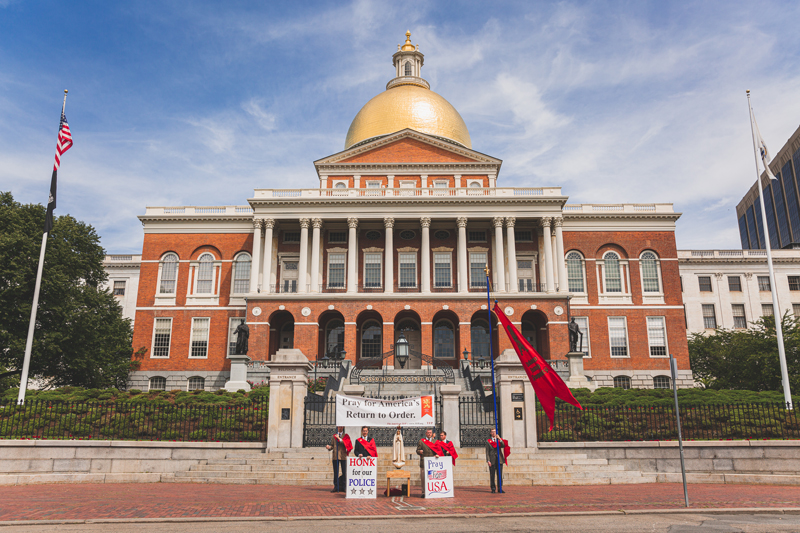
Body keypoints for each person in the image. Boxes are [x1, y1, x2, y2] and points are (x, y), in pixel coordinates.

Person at [326, 425, 352, 493]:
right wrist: (329, 447)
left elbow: (347, 444)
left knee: (344, 472)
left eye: (341, 427)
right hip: (336, 456)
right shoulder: (334, 436)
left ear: (343, 427)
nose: (340, 428)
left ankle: (344, 486)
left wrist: (340, 439)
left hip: (343, 456)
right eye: (338, 427)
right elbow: (332, 445)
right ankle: (336, 486)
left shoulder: (346, 436)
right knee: (336, 472)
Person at [415, 428, 440, 498]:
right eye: (428, 433)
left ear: (432, 434)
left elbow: (438, 451)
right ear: (426, 433)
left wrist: (437, 454)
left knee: (432, 478)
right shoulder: (421, 441)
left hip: (432, 463)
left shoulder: (435, 441)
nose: (429, 434)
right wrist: (419, 451)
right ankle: (424, 492)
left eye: (430, 433)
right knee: (423, 478)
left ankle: (433, 491)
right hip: (424, 463)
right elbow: (417, 450)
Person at [485, 428, 509, 494]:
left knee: (499, 475)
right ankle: (493, 488)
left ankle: (500, 488)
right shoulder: (488, 441)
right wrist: (488, 460)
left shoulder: (499, 440)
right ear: (490, 433)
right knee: (492, 475)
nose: (493, 433)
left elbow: (503, 445)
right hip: (492, 460)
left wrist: (500, 439)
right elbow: (487, 452)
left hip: (499, 459)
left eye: (495, 432)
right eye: (492, 432)